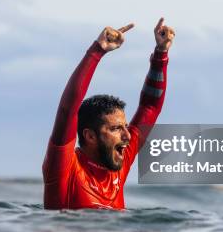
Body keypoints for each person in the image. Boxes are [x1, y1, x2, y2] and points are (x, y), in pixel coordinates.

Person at [43, 18, 175, 210]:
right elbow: (67, 110)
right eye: (115, 128)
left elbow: (150, 107)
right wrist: (97, 51)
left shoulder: (118, 163)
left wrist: (161, 55)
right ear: (90, 136)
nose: (127, 135)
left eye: (125, 127)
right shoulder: (65, 169)